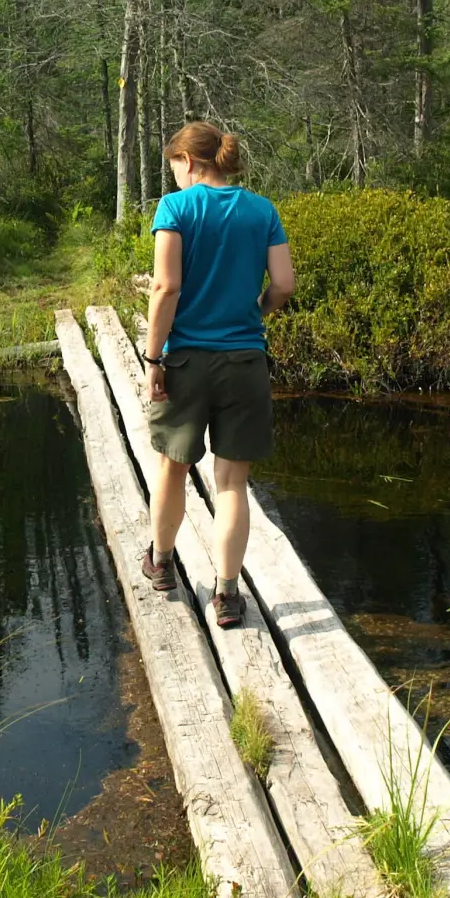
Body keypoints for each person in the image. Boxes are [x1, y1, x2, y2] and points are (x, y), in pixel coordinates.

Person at [139, 122, 295, 629]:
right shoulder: (262, 210)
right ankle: (227, 595)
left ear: (187, 160)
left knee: (172, 466)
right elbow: (284, 285)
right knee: (232, 482)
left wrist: (152, 359)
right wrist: (255, 313)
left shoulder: (176, 208)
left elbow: (166, 287)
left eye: (174, 168)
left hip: (185, 361)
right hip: (245, 362)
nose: (175, 178)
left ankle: (162, 565)